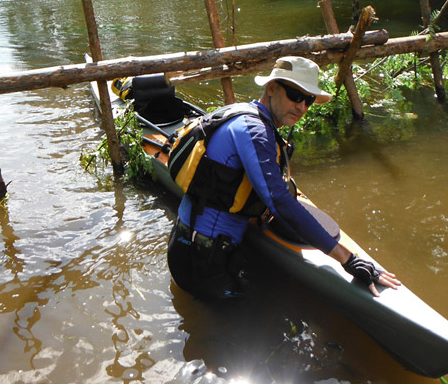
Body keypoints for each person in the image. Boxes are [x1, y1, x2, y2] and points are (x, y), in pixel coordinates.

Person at [167, 56, 400, 300]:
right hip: (202, 257)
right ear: (271, 88)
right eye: (295, 96)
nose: (302, 107)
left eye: (308, 100)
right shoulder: (255, 132)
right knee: (251, 328)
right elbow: (279, 201)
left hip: (194, 244)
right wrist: (347, 258)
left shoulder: (247, 114)